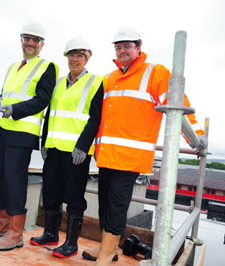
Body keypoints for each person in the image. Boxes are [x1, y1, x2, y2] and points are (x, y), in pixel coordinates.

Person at [81, 26, 207, 265]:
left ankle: (107, 253)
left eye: (127, 46)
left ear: (139, 46)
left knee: (117, 205)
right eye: (118, 47)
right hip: (107, 155)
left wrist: (196, 136)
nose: (122, 51)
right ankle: (107, 247)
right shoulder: (111, 77)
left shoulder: (155, 73)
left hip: (130, 157)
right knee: (106, 204)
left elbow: (177, 104)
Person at [0, 22, 58, 252]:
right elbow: (9, 95)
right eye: (26, 38)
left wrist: (16, 110)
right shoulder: (13, 66)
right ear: (21, 40)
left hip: (22, 131)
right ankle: (2, 224)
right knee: (0, 179)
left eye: (35, 40)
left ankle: (15, 233)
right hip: (2, 128)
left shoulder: (47, 67)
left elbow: (42, 100)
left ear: (41, 45)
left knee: (14, 180)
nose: (30, 43)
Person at [30, 37, 104, 258]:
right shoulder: (58, 83)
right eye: (72, 54)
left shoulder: (96, 82)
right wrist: (44, 141)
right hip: (53, 148)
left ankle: (71, 243)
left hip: (76, 152)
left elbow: (95, 118)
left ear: (87, 58)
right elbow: (50, 114)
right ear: (67, 57)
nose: (75, 59)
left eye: (80, 55)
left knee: (74, 197)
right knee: (51, 192)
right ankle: (51, 233)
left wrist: (83, 146)